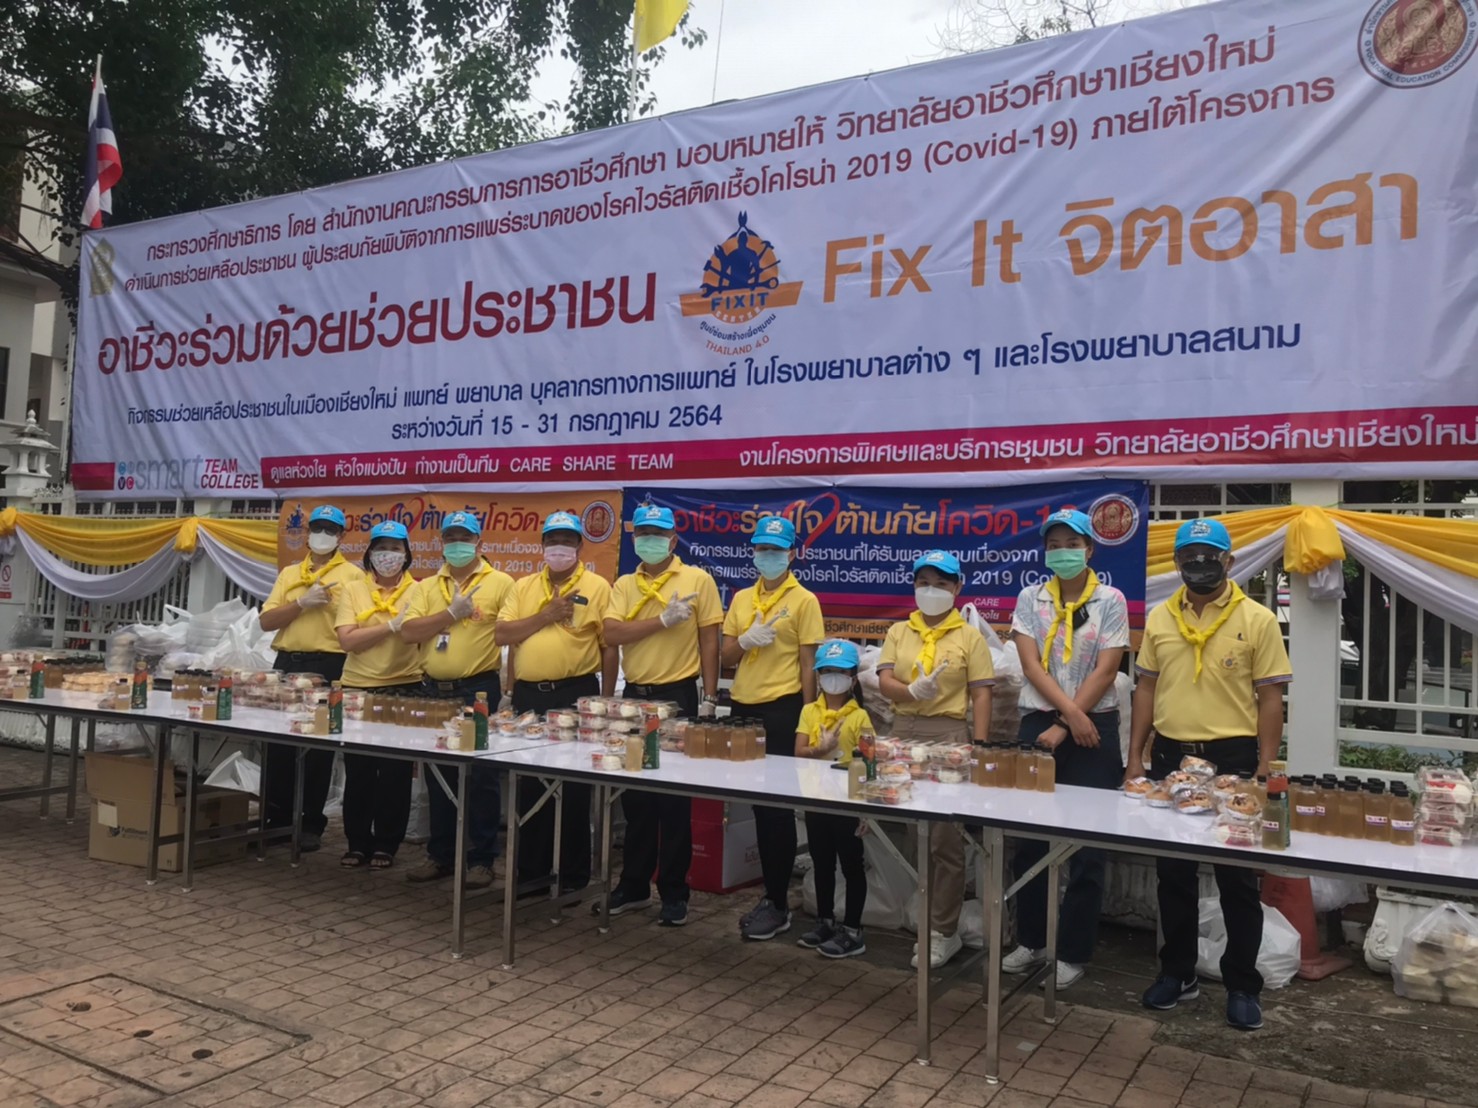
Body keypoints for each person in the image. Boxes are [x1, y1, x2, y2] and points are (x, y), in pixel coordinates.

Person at [1128, 517, 1292, 1032]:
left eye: (1209, 555)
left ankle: (1243, 984)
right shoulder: (1161, 617)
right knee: (1173, 872)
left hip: (1234, 759)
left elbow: (1270, 697)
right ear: (1177, 562)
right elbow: (1146, 689)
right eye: (1188, 556)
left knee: (1236, 877)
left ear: (1229, 561)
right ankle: (1177, 973)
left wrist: (1265, 767)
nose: (1199, 564)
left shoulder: (1258, 619)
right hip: (1171, 757)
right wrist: (1135, 757)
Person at [1002, 509, 1130, 987]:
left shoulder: (1110, 600)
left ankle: (1073, 952)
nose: (1062, 552)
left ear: (1089, 550)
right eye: (1054, 545)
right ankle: (1031, 940)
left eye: (1072, 544)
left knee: (1087, 847)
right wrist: (1066, 718)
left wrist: (1070, 722)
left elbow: (1107, 669)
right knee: (1029, 840)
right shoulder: (1030, 599)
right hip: (1045, 724)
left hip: (1094, 729)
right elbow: (1031, 666)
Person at [601, 503, 723, 927]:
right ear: (634, 538)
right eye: (643, 533)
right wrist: (662, 620)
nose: (650, 540)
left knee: (673, 799)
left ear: (673, 539)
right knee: (636, 798)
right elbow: (611, 633)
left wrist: (709, 697)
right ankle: (633, 885)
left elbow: (710, 640)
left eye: (658, 533)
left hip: (677, 694)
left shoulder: (697, 579)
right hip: (636, 696)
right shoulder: (624, 583)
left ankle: (674, 891)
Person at [875, 550, 994, 969]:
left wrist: (979, 747)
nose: (932, 590)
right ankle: (921, 915)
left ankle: (944, 931)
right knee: (914, 831)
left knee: (945, 838)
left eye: (942, 584)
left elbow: (982, 693)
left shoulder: (969, 637)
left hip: (948, 736)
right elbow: (885, 680)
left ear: (957, 588)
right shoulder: (899, 631)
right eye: (924, 582)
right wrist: (910, 691)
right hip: (902, 733)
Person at [497, 511, 613, 895]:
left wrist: (605, 700)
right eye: (552, 540)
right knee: (530, 784)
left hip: (575, 693)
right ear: (542, 546)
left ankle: (573, 877)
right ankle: (531, 873)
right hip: (529, 695)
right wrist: (546, 616)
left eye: (567, 540)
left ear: (580, 545)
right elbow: (503, 634)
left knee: (574, 787)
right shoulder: (524, 586)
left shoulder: (597, 586)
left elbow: (608, 646)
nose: (559, 547)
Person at [721, 515, 825, 941]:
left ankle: (778, 902)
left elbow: (808, 663)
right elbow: (726, 656)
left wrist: (810, 717)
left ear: (791, 554)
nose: (768, 555)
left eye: (776, 550)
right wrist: (745, 640)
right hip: (744, 709)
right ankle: (771, 895)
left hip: (783, 710)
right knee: (754, 806)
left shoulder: (804, 600)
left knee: (776, 809)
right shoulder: (742, 598)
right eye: (762, 548)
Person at [399, 511, 515, 889]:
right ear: (442, 543)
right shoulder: (427, 586)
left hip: (477, 690)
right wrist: (449, 614)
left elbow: (512, 636)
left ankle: (481, 859)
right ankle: (441, 855)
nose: (457, 544)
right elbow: (409, 631)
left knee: (480, 776)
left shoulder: (500, 583)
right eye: (451, 538)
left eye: (465, 538)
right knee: (438, 775)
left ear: (480, 543)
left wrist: (509, 691)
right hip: (434, 690)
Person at [258, 504, 360, 851]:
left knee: (317, 747)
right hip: (288, 662)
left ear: (341, 536)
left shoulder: (353, 576)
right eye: (317, 528)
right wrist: (302, 603)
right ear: (307, 532)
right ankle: (275, 820)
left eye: (330, 530)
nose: (322, 535)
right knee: (278, 743)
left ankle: (310, 824)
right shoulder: (290, 574)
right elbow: (267, 621)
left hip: (329, 663)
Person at [333, 521, 424, 869]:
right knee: (359, 770)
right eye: (381, 548)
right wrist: (390, 626)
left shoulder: (420, 590)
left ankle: (387, 843)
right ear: (369, 553)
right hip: (358, 686)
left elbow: (416, 635)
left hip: (405, 685)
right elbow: (347, 640)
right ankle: (357, 842)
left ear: (407, 554)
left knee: (395, 772)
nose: (388, 555)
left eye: (396, 548)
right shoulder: (354, 589)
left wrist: (373, 632)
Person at [794, 639, 874, 959]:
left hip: (847, 800)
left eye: (840, 672)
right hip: (817, 798)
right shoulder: (809, 711)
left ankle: (853, 930)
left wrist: (865, 809)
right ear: (818, 675)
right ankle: (824, 921)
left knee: (852, 865)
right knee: (822, 862)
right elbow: (798, 752)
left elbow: (870, 762)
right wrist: (820, 749)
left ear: (853, 679)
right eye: (827, 671)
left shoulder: (860, 717)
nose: (833, 678)